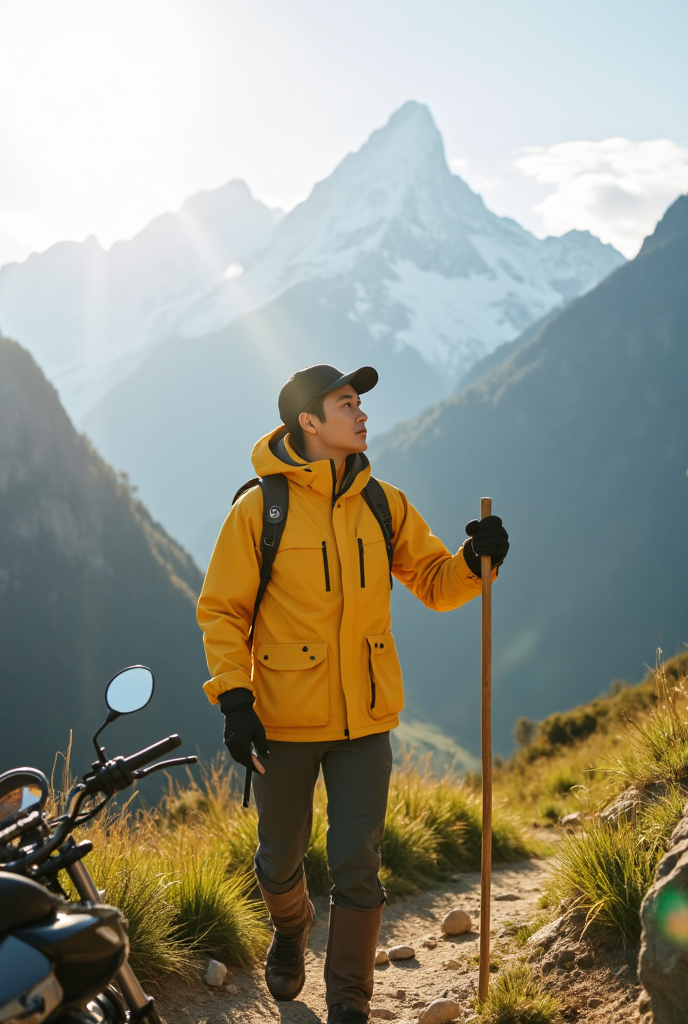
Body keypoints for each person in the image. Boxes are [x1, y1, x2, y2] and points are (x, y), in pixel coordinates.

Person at [197, 364, 509, 1024]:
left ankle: (349, 1006)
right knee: (280, 859)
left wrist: (477, 559)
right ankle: (290, 928)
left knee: (358, 866)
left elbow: (433, 581)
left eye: (360, 403)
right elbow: (222, 612)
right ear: (309, 422)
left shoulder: (382, 503)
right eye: (346, 404)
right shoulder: (261, 509)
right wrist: (234, 698)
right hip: (282, 719)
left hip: (366, 721)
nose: (361, 414)